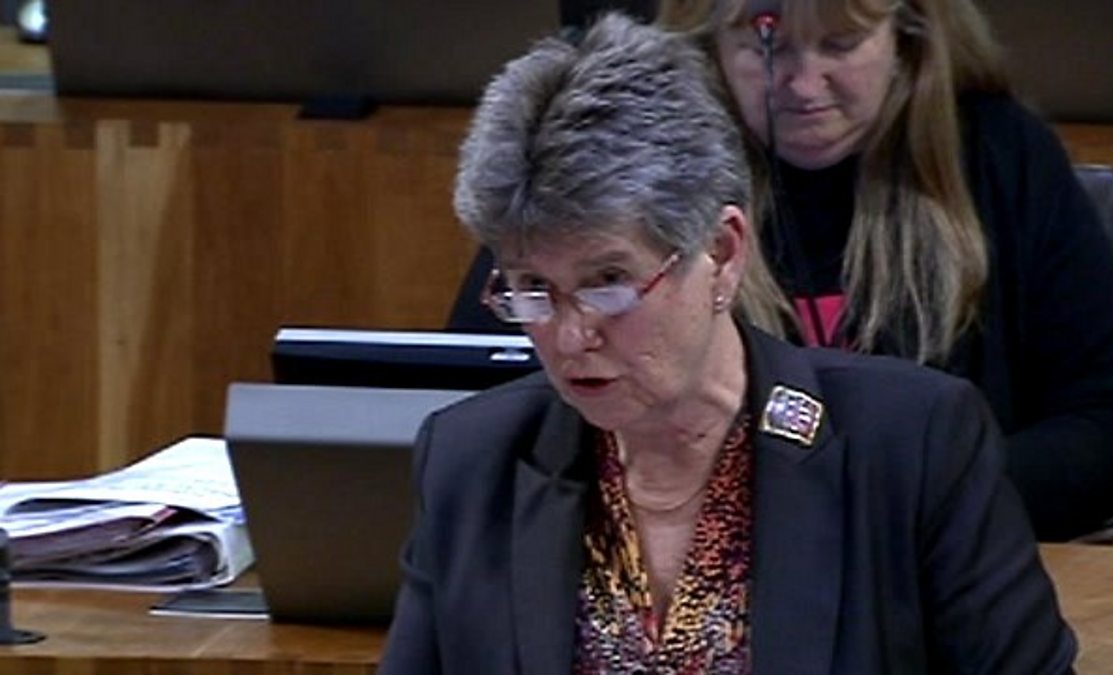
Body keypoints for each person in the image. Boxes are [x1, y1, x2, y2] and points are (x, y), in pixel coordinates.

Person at [379, 13, 1075, 673]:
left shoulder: (913, 447)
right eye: (533, 287)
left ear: (721, 251)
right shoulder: (473, 463)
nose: (569, 334)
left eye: (608, 281)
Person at [446, 0, 1113, 542]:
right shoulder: (631, 169)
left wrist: (918, 501)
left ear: (908, 37)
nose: (803, 84)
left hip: (937, 567)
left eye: (840, 45)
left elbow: (1109, 430)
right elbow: (484, 402)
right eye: (768, 46)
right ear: (708, 43)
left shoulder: (1003, 157)